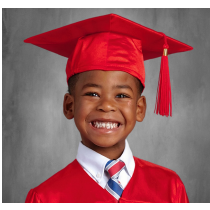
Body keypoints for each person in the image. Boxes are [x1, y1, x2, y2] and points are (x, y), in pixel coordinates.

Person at [23, 13, 192, 203]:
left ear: (139, 109)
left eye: (121, 96)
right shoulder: (46, 198)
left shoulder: (170, 188)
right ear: (69, 106)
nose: (106, 106)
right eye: (92, 94)